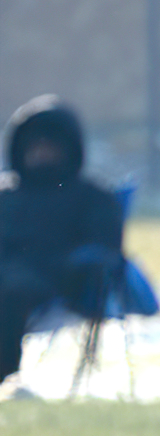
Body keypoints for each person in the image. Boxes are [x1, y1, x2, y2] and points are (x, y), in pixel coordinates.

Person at [0, 95, 124, 388]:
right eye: (35, 146)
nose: (42, 153)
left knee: (10, 291)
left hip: (59, 281)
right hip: (9, 271)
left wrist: (78, 266)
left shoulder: (91, 197)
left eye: (49, 146)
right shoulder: (8, 196)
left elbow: (105, 246)